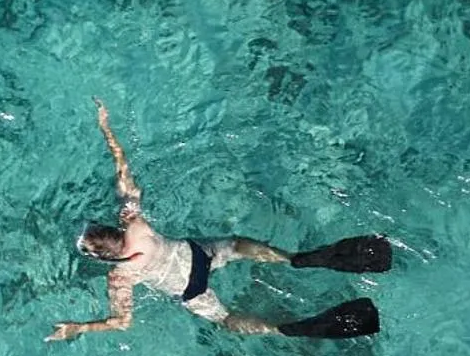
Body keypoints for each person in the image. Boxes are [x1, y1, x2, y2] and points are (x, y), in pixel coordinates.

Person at [51, 101, 389, 342]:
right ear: (111, 229)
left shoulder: (120, 277)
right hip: (197, 254)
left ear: (100, 256)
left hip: (188, 288)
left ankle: (284, 329)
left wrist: (79, 327)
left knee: (226, 319)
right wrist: (107, 130)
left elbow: (122, 322)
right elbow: (125, 177)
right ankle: (295, 259)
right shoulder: (135, 224)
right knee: (238, 245)